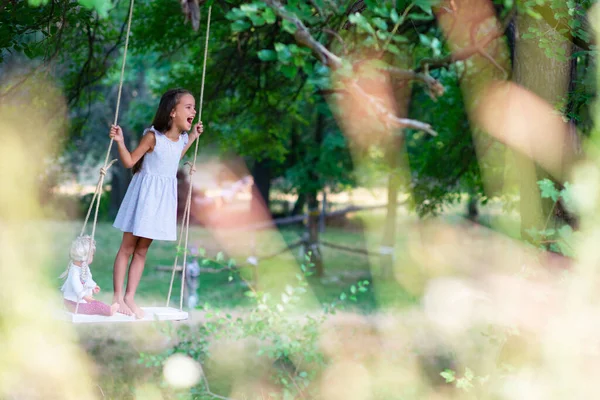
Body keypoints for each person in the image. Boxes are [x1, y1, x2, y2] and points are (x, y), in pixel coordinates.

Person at [109, 88, 204, 318]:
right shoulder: (153, 137)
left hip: (161, 201)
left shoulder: (180, 138)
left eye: (193, 107)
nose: (194, 110)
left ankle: (130, 297)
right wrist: (120, 142)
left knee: (142, 250)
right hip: (144, 196)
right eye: (188, 107)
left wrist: (192, 138)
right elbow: (131, 160)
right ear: (172, 112)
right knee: (128, 247)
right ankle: (117, 297)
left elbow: (175, 156)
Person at [61, 235, 119, 316]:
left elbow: (87, 279)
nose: (93, 257)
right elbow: (76, 286)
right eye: (92, 255)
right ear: (84, 257)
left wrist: (93, 286)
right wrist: (84, 296)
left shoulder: (84, 267)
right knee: (96, 305)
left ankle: (107, 308)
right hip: (73, 304)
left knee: (95, 304)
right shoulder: (74, 271)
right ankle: (109, 311)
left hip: (80, 302)